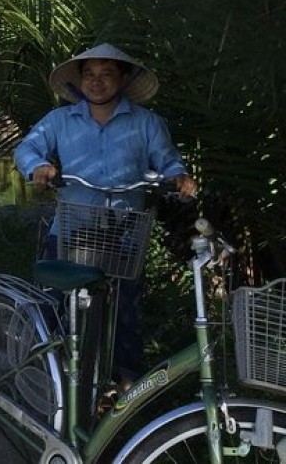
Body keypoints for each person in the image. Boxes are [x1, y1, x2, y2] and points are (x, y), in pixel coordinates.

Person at [14, 43, 197, 382]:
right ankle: (40, 374)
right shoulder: (60, 120)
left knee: (125, 312)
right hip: (71, 229)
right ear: (80, 80)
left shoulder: (147, 123)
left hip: (125, 234)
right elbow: (27, 147)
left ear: (123, 79)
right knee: (53, 303)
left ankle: (125, 390)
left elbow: (169, 160)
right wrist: (38, 166)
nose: (96, 82)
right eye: (89, 74)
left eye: (106, 74)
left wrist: (179, 177)